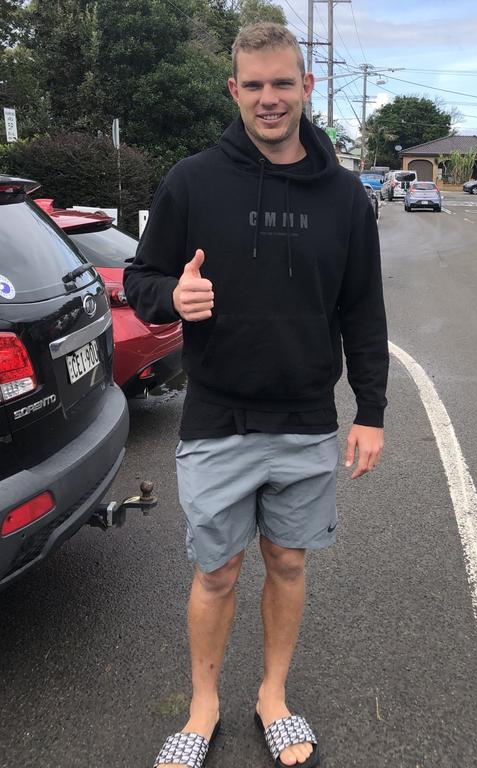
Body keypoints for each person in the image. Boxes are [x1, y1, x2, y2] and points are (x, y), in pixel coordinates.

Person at [124, 22, 388, 768]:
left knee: (289, 563)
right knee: (216, 570)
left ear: (307, 88)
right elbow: (140, 281)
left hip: (305, 417)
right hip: (217, 415)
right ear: (233, 89)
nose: (269, 99)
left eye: (283, 83)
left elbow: (363, 312)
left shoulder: (343, 198)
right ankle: (202, 707)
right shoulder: (192, 180)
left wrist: (371, 411)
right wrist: (173, 294)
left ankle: (272, 695)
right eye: (254, 84)